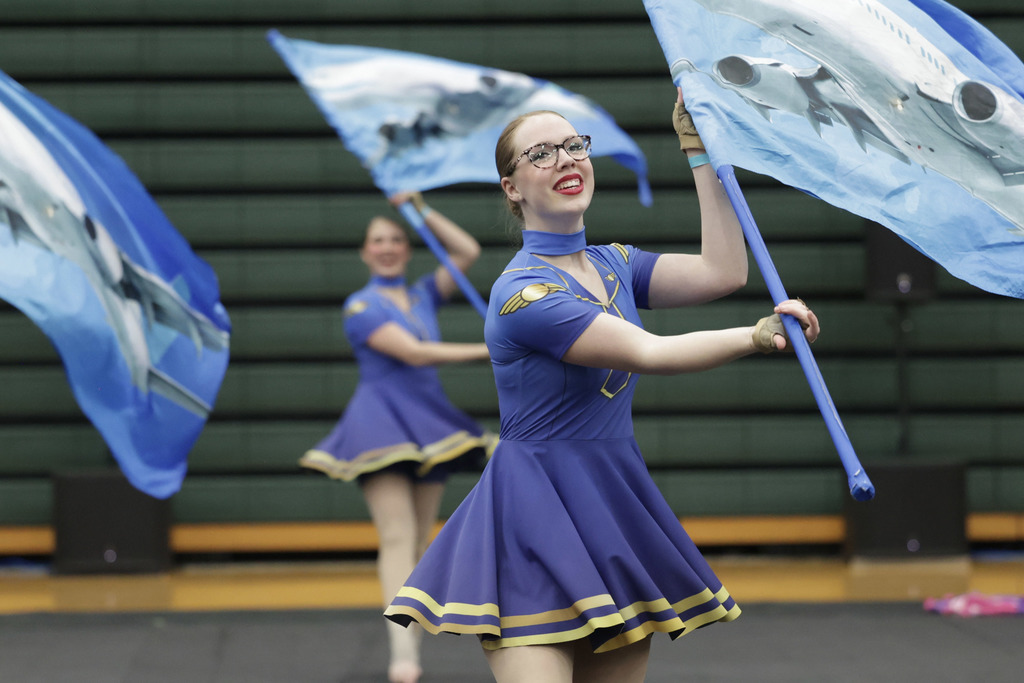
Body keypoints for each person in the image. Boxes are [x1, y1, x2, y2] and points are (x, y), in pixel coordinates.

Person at [383, 90, 819, 683]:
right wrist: (756, 334)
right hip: (531, 519)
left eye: (573, 146)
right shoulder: (524, 296)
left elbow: (724, 272)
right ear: (512, 187)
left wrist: (701, 154)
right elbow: (651, 352)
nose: (565, 159)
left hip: (609, 509)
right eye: (541, 154)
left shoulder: (616, 263)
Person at [299, 192, 497, 683]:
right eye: (377, 241)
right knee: (396, 535)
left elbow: (467, 251)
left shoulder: (423, 294)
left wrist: (420, 209)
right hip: (381, 424)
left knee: (421, 542)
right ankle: (401, 651)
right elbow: (413, 353)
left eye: (395, 239)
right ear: (365, 253)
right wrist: (490, 347)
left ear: (408, 249)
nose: (386, 248)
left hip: (429, 424)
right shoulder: (360, 306)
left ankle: (409, 639)